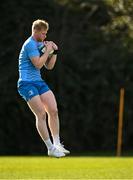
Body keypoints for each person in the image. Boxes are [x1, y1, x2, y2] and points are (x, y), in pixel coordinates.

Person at [17, 19, 70, 158]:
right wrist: (47, 50)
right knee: (41, 114)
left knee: (53, 109)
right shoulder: (29, 44)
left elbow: (49, 66)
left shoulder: (41, 44)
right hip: (26, 83)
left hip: (38, 82)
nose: (45, 36)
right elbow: (38, 64)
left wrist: (54, 52)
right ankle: (50, 148)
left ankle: (57, 144)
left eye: (46, 33)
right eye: (43, 33)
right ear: (35, 31)